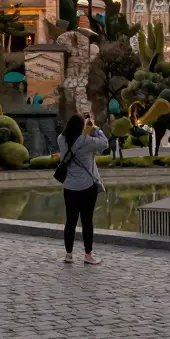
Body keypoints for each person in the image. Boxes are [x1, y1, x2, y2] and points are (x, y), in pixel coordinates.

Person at [58, 113, 108, 265]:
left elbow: (68, 134)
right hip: (87, 186)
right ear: (82, 127)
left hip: (69, 186)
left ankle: (68, 255)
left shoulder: (61, 139)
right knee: (87, 221)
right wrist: (94, 128)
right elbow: (105, 143)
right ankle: (88, 255)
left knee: (70, 221)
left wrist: (83, 127)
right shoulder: (86, 141)